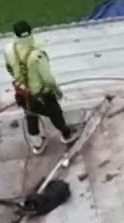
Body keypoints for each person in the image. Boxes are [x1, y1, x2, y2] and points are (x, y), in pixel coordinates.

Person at [5, 20, 76, 155]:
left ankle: (37, 143)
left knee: (31, 115)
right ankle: (66, 134)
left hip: (23, 92)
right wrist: (57, 91)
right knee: (55, 112)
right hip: (42, 93)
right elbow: (48, 78)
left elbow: (9, 68)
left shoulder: (9, 50)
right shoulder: (37, 55)